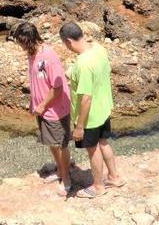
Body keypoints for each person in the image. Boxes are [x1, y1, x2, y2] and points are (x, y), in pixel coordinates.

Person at [60, 22, 123, 199]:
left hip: (91, 117)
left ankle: (98, 186)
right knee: (104, 142)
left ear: (69, 41)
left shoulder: (83, 64)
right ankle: (114, 177)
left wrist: (79, 126)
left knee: (92, 149)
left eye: (65, 44)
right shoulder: (98, 48)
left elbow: (86, 98)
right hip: (104, 107)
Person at [10, 22, 73, 197]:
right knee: (50, 141)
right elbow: (36, 80)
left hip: (56, 109)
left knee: (61, 144)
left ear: (28, 41)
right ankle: (60, 169)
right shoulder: (32, 53)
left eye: (21, 43)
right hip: (42, 108)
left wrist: (43, 105)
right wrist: (34, 102)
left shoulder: (49, 57)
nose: (20, 47)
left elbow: (57, 87)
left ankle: (66, 178)